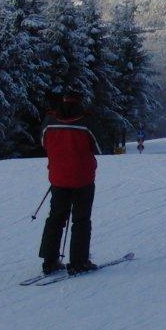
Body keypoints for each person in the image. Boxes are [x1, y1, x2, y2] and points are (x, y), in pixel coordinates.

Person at [38, 93, 102, 276]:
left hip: (58, 177)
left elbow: (44, 142)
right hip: (83, 178)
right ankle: (78, 262)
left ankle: (49, 261)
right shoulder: (86, 121)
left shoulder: (50, 120)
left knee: (56, 218)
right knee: (81, 219)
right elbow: (97, 147)